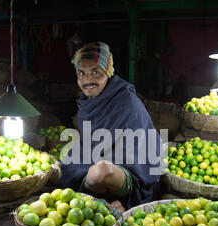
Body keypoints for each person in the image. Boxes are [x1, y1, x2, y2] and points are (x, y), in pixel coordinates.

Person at [59, 42, 163, 212]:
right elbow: (90, 145)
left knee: (100, 172)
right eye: (81, 73)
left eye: (95, 72)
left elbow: (138, 152)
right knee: (64, 170)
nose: (88, 80)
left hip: (131, 172)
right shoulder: (86, 104)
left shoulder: (125, 102)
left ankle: (120, 201)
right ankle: (108, 203)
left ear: (107, 72)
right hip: (98, 162)